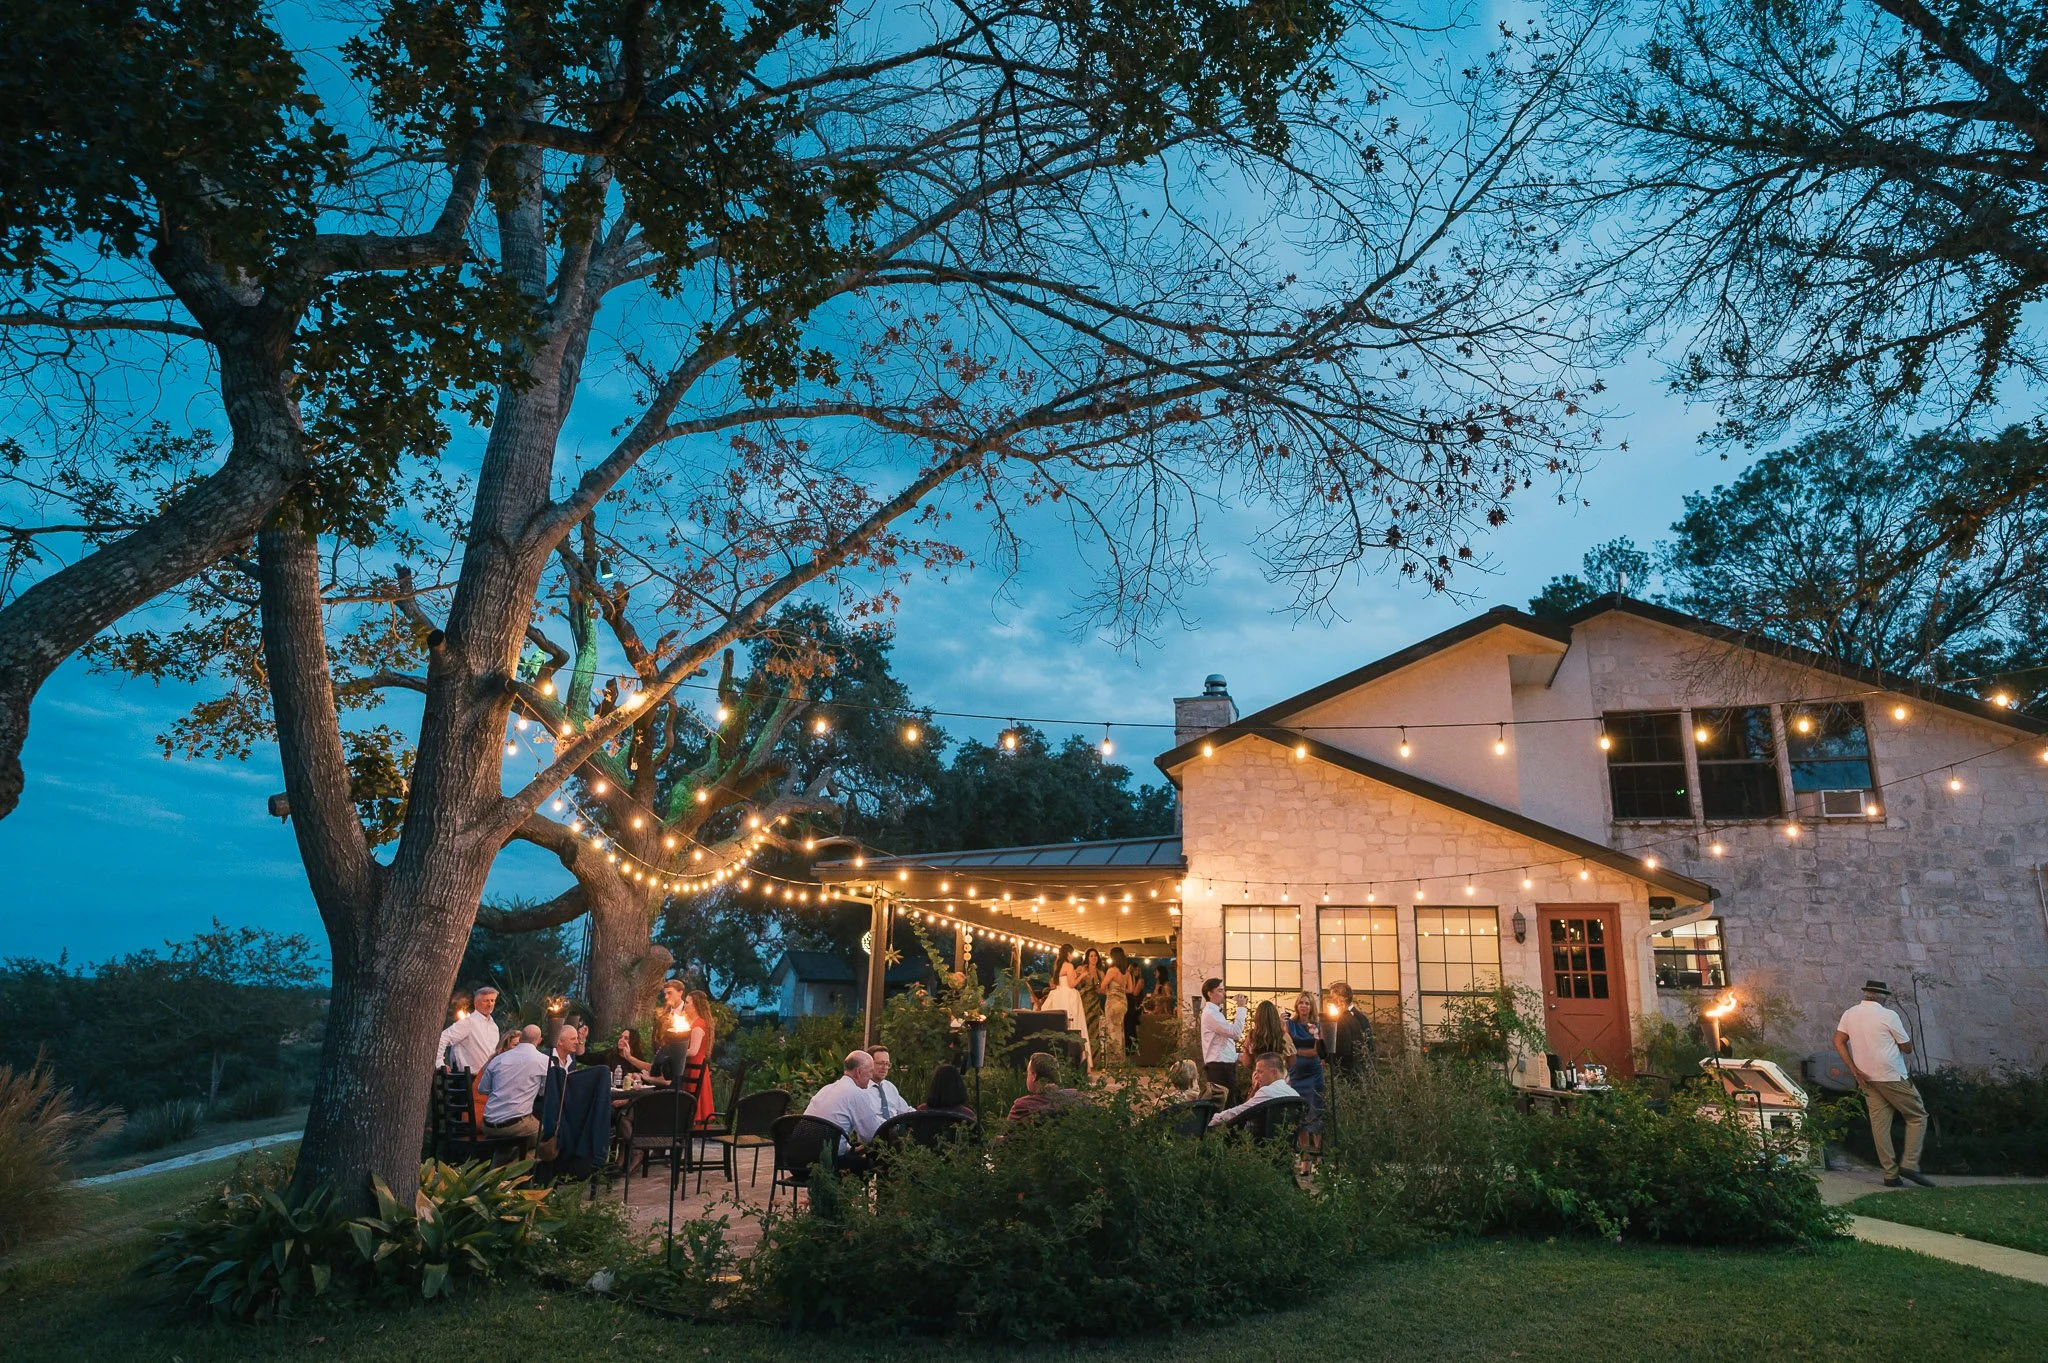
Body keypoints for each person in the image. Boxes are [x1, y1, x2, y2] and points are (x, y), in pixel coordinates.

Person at [1834, 980, 1935, 1187]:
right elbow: (1907, 1048)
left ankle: (1890, 1175)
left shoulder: (1850, 1014)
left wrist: (1853, 1069)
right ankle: (1909, 1165)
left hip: (1865, 1077)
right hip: (1891, 1075)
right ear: (1883, 997)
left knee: (1880, 1125)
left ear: (1866, 994)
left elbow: (1838, 1041)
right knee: (1917, 1115)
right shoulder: (1889, 1015)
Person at [803, 1050, 884, 1170]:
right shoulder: (856, 1094)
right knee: (872, 1164)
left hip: (799, 1163)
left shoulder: (826, 1089)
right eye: (870, 1071)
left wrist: (849, 1148)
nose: (871, 1076)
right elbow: (873, 1135)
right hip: (827, 1165)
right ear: (858, 1072)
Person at [476, 1025, 550, 1145]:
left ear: (521, 1039)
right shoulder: (544, 1061)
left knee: (511, 1142)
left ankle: (502, 1158)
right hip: (514, 1125)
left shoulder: (498, 1059)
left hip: (488, 1125)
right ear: (539, 1040)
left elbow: (482, 1089)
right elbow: (544, 1092)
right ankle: (523, 1158)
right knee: (542, 1131)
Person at [1210, 1052, 1299, 1127]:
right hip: (1286, 1140)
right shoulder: (1295, 1094)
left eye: (1260, 1072)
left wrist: (1210, 1120)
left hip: (1260, 1140)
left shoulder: (1267, 1092)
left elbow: (1238, 1112)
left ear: (1274, 1072)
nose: (1256, 1076)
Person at [1287, 992, 1326, 1153]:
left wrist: (1298, 1051)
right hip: (1296, 1073)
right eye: (1301, 1003)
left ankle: (1318, 1153)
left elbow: (1317, 1051)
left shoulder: (1317, 1025)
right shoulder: (1290, 1024)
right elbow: (1287, 1047)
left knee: (1316, 1109)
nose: (1303, 1006)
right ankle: (1305, 1156)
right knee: (1300, 1111)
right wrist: (1299, 1052)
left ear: (1311, 1007)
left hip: (1313, 1072)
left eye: (1307, 1003)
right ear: (1297, 1005)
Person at [438, 984, 501, 1074]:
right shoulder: (468, 1022)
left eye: (492, 1000)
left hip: (488, 1077)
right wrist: (439, 1063)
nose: (490, 1004)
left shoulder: (494, 1027)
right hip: (468, 1077)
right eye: (486, 1001)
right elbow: (442, 1038)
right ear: (476, 1004)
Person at [1199, 978, 1242, 1105]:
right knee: (1225, 1105)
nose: (1224, 993)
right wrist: (1241, 1008)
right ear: (1210, 994)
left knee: (1229, 1103)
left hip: (1224, 1065)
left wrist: (1237, 1056)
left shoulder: (1215, 1013)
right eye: (1220, 990)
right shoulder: (1210, 1014)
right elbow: (1235, 1033)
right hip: (1219, 1068)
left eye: (1223, 990)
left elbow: (1221, 1043)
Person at [1042, 967, 1094, 1071]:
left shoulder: (1059, 965)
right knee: (1073, 1025)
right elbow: (1072, 984)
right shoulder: (1069, 966)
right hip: (1068, 996)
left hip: (1059, 995)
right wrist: (1082, 976)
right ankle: (1074, 1060)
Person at [1006, 1051, 1079, 1121]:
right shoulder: (1074, 1097)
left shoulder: (1021, 1107)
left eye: (1028, 1073)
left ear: (1034, 1076)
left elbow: (1008, 1129)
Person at [1323, 981, 1376, 1078]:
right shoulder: (1342, 1016)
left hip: (1352, 1069)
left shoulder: (1357, 1017)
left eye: (1333, 997)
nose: (1331, 1000)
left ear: (1343, 998)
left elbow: (1368, 1042)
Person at [684, 989, 718, 1127]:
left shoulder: (698, 1025)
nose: (685, 1005)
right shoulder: (697, 1023)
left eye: (687, 1002)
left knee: (692, 1104)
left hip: (695, 1067)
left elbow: (693, 1051)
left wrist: (676, 1052)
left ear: (695, 1005)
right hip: (696, 1065)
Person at [1102, 948, 1132, 1064]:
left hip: (1112, 1002)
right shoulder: (1127, 973)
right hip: (1123, 1002)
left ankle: (1113, 1060)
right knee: (1119, 1029)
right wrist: (1121, 990)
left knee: (1112, 1029)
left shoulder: (1112, 971)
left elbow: (1103, 986)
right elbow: (1130, 989)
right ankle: (1120, 1059)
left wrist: (1109, 991)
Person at [869, 1044, 909, 1124]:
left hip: (896, 1128)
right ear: (869, 1064)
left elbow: (905, 1110)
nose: (885, 1067)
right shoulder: (862, 1089)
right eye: (880, 1063)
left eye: (887, 1064)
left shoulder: (889, 1087)